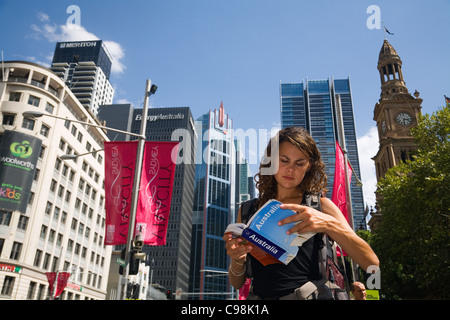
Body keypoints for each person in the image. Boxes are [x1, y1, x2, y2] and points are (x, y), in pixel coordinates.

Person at [223, 127, 379, 300]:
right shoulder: (247, 210)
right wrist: (237, 259)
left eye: (299, 163)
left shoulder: (321, 206)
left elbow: (372, 263)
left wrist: (328, 224)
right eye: (284, 160)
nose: (290, 170)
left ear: (309, 166)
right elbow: (237, 283)